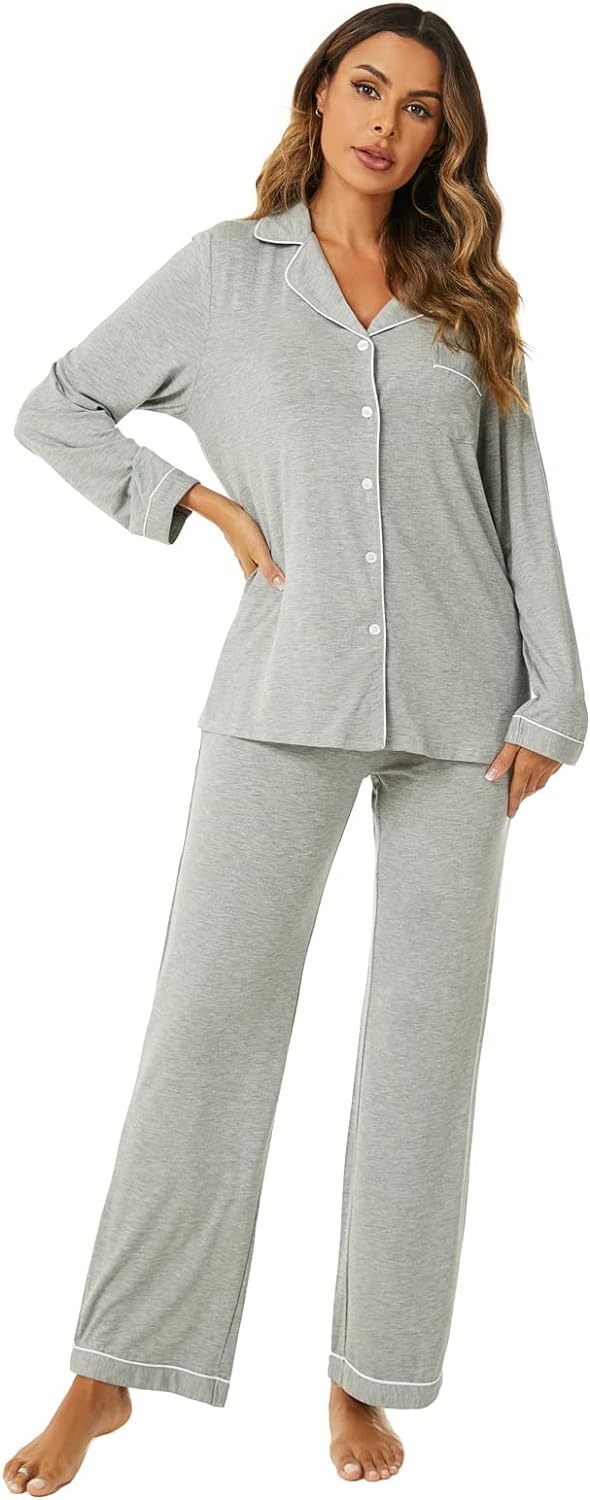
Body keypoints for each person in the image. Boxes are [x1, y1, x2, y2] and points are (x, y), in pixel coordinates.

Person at [5, 6, 587, 1492]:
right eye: (366, 88)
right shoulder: (225, 272)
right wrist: (191, 505)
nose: (386, 122)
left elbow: (518, 497)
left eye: (418, 105)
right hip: (281, 692)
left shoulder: (465, 290)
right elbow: (55, 409)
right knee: (206, 1031)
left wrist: (555, 701)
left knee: (422, 1054)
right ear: (321, 95)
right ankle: (108, 1374)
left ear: (444, 135)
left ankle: (364, 1377)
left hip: (465, 715)